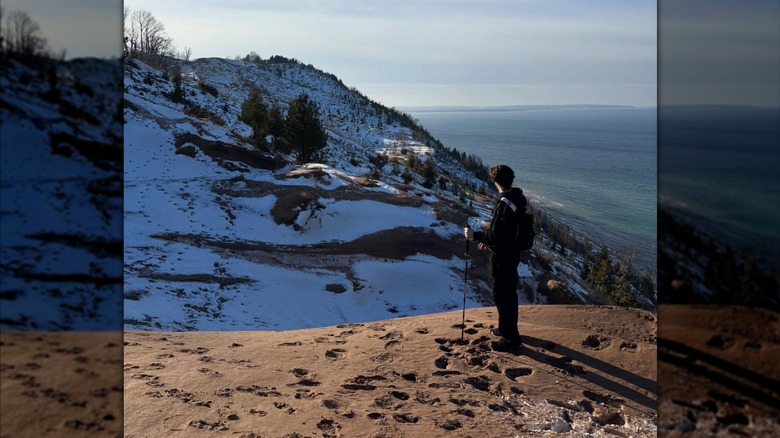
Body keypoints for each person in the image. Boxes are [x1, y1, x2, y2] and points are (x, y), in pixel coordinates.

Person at [464, 164, 527, 352]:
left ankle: (511, 340)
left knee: (502, 295)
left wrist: (474, 236)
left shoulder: (504, 203)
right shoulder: (517, 198)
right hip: (512, 253)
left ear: (494, 181)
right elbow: (502, 233)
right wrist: (490, 242)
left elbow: (496, 235)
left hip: (503, 257)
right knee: (508, 294)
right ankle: (506, 329)